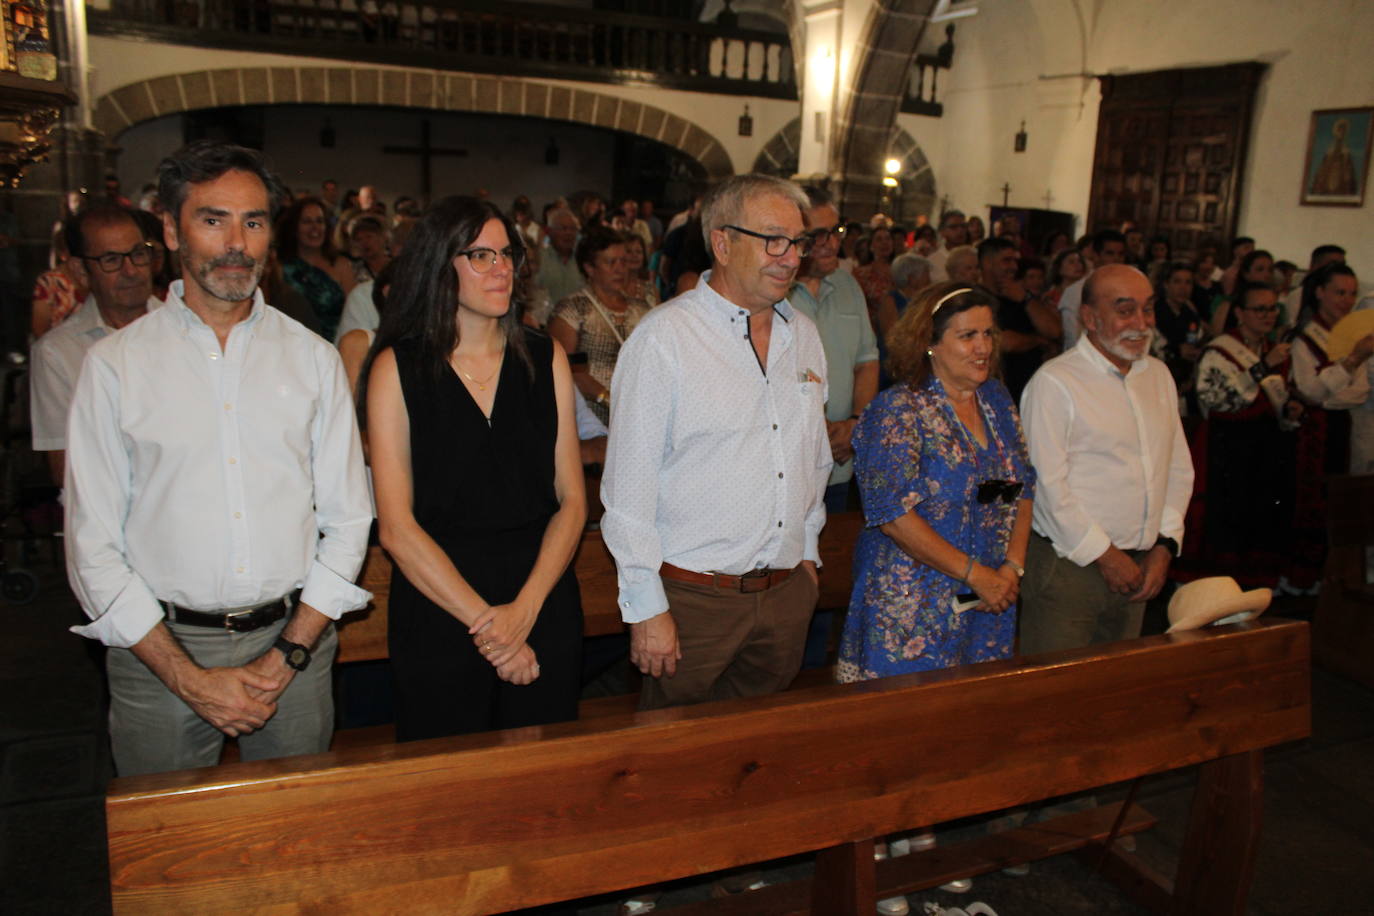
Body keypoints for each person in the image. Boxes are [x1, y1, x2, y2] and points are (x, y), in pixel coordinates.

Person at [64, 140, 372, 777]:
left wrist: (286, 654)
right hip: (158, 647)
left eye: (253, 222)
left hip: (294, 641)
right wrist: (187, 676)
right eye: (213, 220)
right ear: (172, 231)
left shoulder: (312, 358)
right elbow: (91, 545)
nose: (237, 242)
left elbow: (347, 522)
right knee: (169, 852)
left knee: (295, 840)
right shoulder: (115, 366)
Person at [601, 173, 831, 711]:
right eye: (772, 239)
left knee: (756, 752)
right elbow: (627, 490)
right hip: (693, 598)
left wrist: (809, 558)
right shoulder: (665, 339)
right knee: (670, 759)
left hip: (784, 591)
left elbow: (813, 460)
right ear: (722, 243)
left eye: (798, 242)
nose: (790, 257)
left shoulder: (804, 334)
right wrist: (645, 606)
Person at [362, 196, 585, 741]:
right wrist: (491, 629)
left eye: (507, 254)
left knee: (544, 790)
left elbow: (573, 501)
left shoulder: (544, 355)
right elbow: (397, 527)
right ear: (441, 265)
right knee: (448, 795)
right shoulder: (399, 367)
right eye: (480, 255)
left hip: (541, 597)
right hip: (441, 607)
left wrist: (523, 614)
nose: (502, 268)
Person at [839, 282, 1034, 681]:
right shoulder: (897, 411)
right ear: (929, 343)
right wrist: (977, 576)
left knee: (974, 721)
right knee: (906, 725)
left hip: (988, 598)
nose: (983, 347)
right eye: (967, 336)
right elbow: (894, 516)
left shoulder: (996, 400)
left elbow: (1022, 486)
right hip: (913, 606)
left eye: (988, 334)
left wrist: (1011, 570)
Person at [1018, 264, 1193, 654]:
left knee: (1112, 691)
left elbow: (1177, 468)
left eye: (1147, 309)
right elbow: (1046, 487)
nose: (1141, 322)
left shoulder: (1158, 376)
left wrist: (1165, 545)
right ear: (1089, 318)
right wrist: (1107, 556)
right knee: (1055, 694)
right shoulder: (1056, 382)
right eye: (1125, 309)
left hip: (1140, 565)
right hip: (1070, 569)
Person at [30, 202, 159, 486]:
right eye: (111, 260)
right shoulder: (58, 353)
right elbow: (67, 470)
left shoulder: (187, 331)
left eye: (138, 254)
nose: (131, 271)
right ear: (81, 271)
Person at [1188, 282, 1302, 585]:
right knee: (1226, 522)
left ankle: (1253, 587)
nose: (1267, 316)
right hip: (1228, 447)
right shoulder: (1221, 349)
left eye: (1272, 309)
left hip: (1264, 448)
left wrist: (1290, 410)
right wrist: (1263, 367)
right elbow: (1219, 400)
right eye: (1259, 309)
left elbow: (1279, 398)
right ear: (1240, 312)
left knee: (1259, 520)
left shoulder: (1271, 347)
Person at [789, 186, 879, 513]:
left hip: (839, 458)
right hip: (786, 464)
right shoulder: (774, 291)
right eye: (818, 235)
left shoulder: (848, 285)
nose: (832, 244)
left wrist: (856, 423)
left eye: (836, 232)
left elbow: (867, 360)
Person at [548, 227, 653, 426]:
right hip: (592, 420)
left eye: (623, 261)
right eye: (610, 262)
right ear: (589, 268)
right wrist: (606, 397)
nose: (620, 269)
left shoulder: (641, 308)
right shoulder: (572, 310)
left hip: (639, 415)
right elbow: (564, 375)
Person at [277, 196, 355, 339]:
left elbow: (354, 313)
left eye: (320, 221)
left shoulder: (341, 265)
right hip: (288, 345)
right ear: (294, 227)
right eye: (307, 222)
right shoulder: (279, 266)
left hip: (333, 347)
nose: (315, 228)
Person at [1057, 229, 1127, 347]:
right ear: (1095, 255)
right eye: (1109, 253)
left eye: (1120, 254)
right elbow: (1073, 338)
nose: (1116, 259)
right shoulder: (1076, 292)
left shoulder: (1129, 289)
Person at [535, 207, 584, 307]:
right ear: (549, 231)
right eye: (563, 228)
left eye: (573, 229)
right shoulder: (539, 259)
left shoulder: (583, 260)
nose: (568, 233)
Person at [927, 209, 968, 281]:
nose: (960, 230)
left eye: (963, 226)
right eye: (953, 227)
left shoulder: (974, 257)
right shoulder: (932, 261)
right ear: (942, 232)